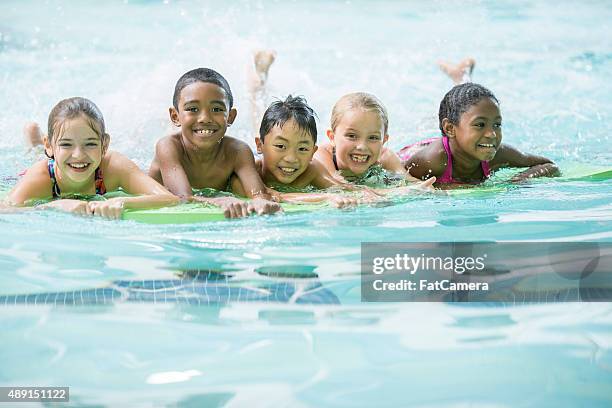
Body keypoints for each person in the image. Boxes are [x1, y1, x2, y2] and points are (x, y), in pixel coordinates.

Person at [6, 97, 178, 219]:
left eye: (90, 144)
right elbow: (6, 209)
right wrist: (55, 205)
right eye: (66, 144)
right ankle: (35, 141)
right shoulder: (41, 178)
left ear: (105, 145)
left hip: (58, 156)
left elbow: (170, 199)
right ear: (49, 146)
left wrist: (123, 201)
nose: (79, 155)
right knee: (35, 157)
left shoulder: (114, 166)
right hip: (46, 166)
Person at [148, 67, 282, 219]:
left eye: (217, 109)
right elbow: (182, 198)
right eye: (193, 109)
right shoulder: (168, 147)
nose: (205, 118)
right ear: (175, 116)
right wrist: (217, 201)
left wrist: (260, 201)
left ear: (230, 117)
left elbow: (258, 194)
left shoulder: (238, 151)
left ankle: (258, 83)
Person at [399, 59, 559, 184]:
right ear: (449, 128)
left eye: (497, 125)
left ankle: (461, 75)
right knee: (443, 116)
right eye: (480, 125)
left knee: (467, 107)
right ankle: (461, 76)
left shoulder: (499, 154)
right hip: (415, 150)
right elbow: (392, 179)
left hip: (459, 137)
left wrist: (521, 179)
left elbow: (550, 165)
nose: (492, 134)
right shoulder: (431, 161)